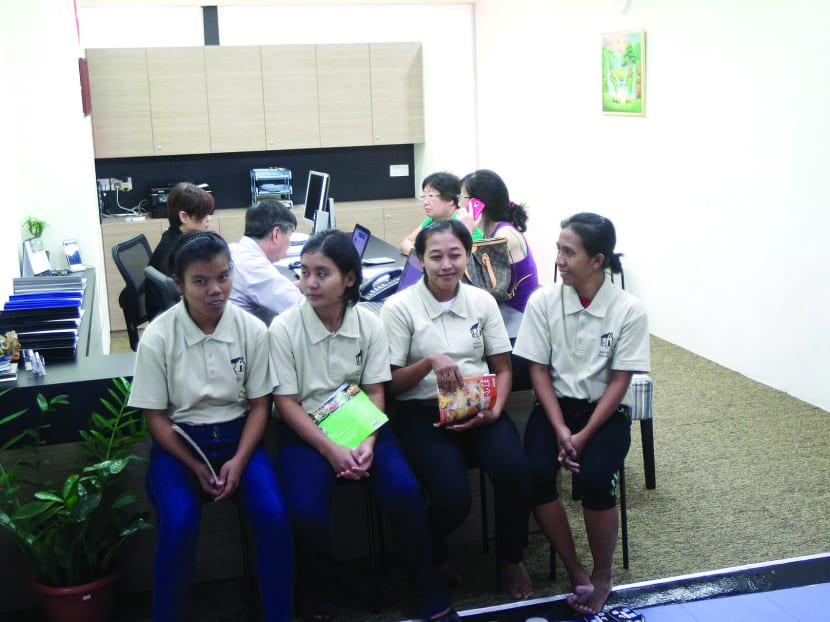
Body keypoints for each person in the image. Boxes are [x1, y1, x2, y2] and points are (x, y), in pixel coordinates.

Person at [269, 229, 459, 622]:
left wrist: (368, 442)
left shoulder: (369, 325)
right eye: (304, 272)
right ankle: (320, 594)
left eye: (322, 273)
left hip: (360, 422)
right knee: (306, 513)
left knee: (405, 493)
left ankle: (426, 589)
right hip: (305, 430)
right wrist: (331, 450)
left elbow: (376, 393)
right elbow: (285, 403)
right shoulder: (283, 328)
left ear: (349, 279)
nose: (310, 283)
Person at [128, 230, 293, 622]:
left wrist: (238, 459)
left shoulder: (251, 329)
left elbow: (259, 406)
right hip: (181, 445)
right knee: (180, 524)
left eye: (223, 276)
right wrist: (197, 465)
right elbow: (155, 416)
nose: (215, 289)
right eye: (200, 281)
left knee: (273, 516)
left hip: (240, 440)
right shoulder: (158, 336)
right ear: (179, 285)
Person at [380, 219, 534, 601]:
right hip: (423, 413)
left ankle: (512, 558)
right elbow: (391, 385)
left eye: (455, 255)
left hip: (480, 407)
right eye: (436, 256)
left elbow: (501, 367)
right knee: (453, 498)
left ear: (467, 256)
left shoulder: (481, 302)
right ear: (420, 259)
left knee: (516, 473)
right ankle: (429, 552)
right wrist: (429, 362)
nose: (446, 264)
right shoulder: (399, 308)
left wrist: (496, 411)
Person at [513, 213, 650, 615]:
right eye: (558, 248)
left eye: (568, 252)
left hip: (605, 414)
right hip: (556, 409)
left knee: (594, 479)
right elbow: (537, 369)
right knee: (536, 473)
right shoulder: (543, 301)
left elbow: (619, 381)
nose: (558, 259)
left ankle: (603, 575)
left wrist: (584, 435)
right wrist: (559, 428)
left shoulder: (628, 310)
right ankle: (576, 571)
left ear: (597, 260)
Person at [457, 169, 538, 312]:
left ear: (476, 203)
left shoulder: (504, 236)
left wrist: (466, 233)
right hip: (502, 311)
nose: (459, 205)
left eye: (461, 197)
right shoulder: (489, 232)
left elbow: (478, 285)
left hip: (516, 317)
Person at [145, 182, 215, 320]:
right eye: (203, 214)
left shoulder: (173, 236)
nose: (209, 219)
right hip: (171, 318)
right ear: (184, 217)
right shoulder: (176, 253)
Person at [229, 199, 304, 325]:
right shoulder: (254, 267)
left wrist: (304, 284)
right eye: (290, 236)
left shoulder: (234, 250)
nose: (290, 242)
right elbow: (302, 309)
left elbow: (275, 288)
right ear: (276, 234)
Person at [399, 172, 483, 255]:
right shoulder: (432, 220)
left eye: (431, 196)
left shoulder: (464, 222)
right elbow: (406, 243)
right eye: (424, 196)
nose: (425, 202)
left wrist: (423, 254)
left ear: (450, 199)